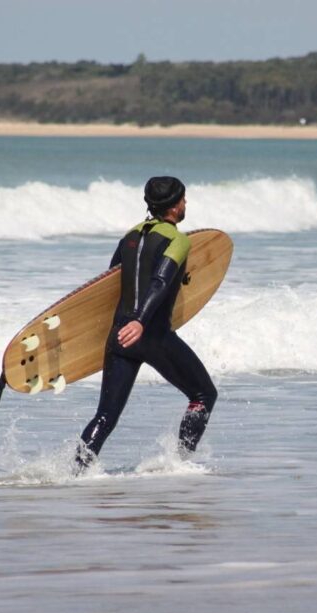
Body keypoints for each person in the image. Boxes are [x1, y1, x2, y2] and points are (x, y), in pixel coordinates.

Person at [76, 176, 217, 470]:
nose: (186, 204)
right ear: (175, 206)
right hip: (150, 334)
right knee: (204, 394)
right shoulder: (177, 239)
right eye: (183, 199)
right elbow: (160, 282)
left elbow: (107, 285)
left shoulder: (129, 237)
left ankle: (75, 472)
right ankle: (181, 463)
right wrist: (141, 322)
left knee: (105, 415)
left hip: (119, 337)